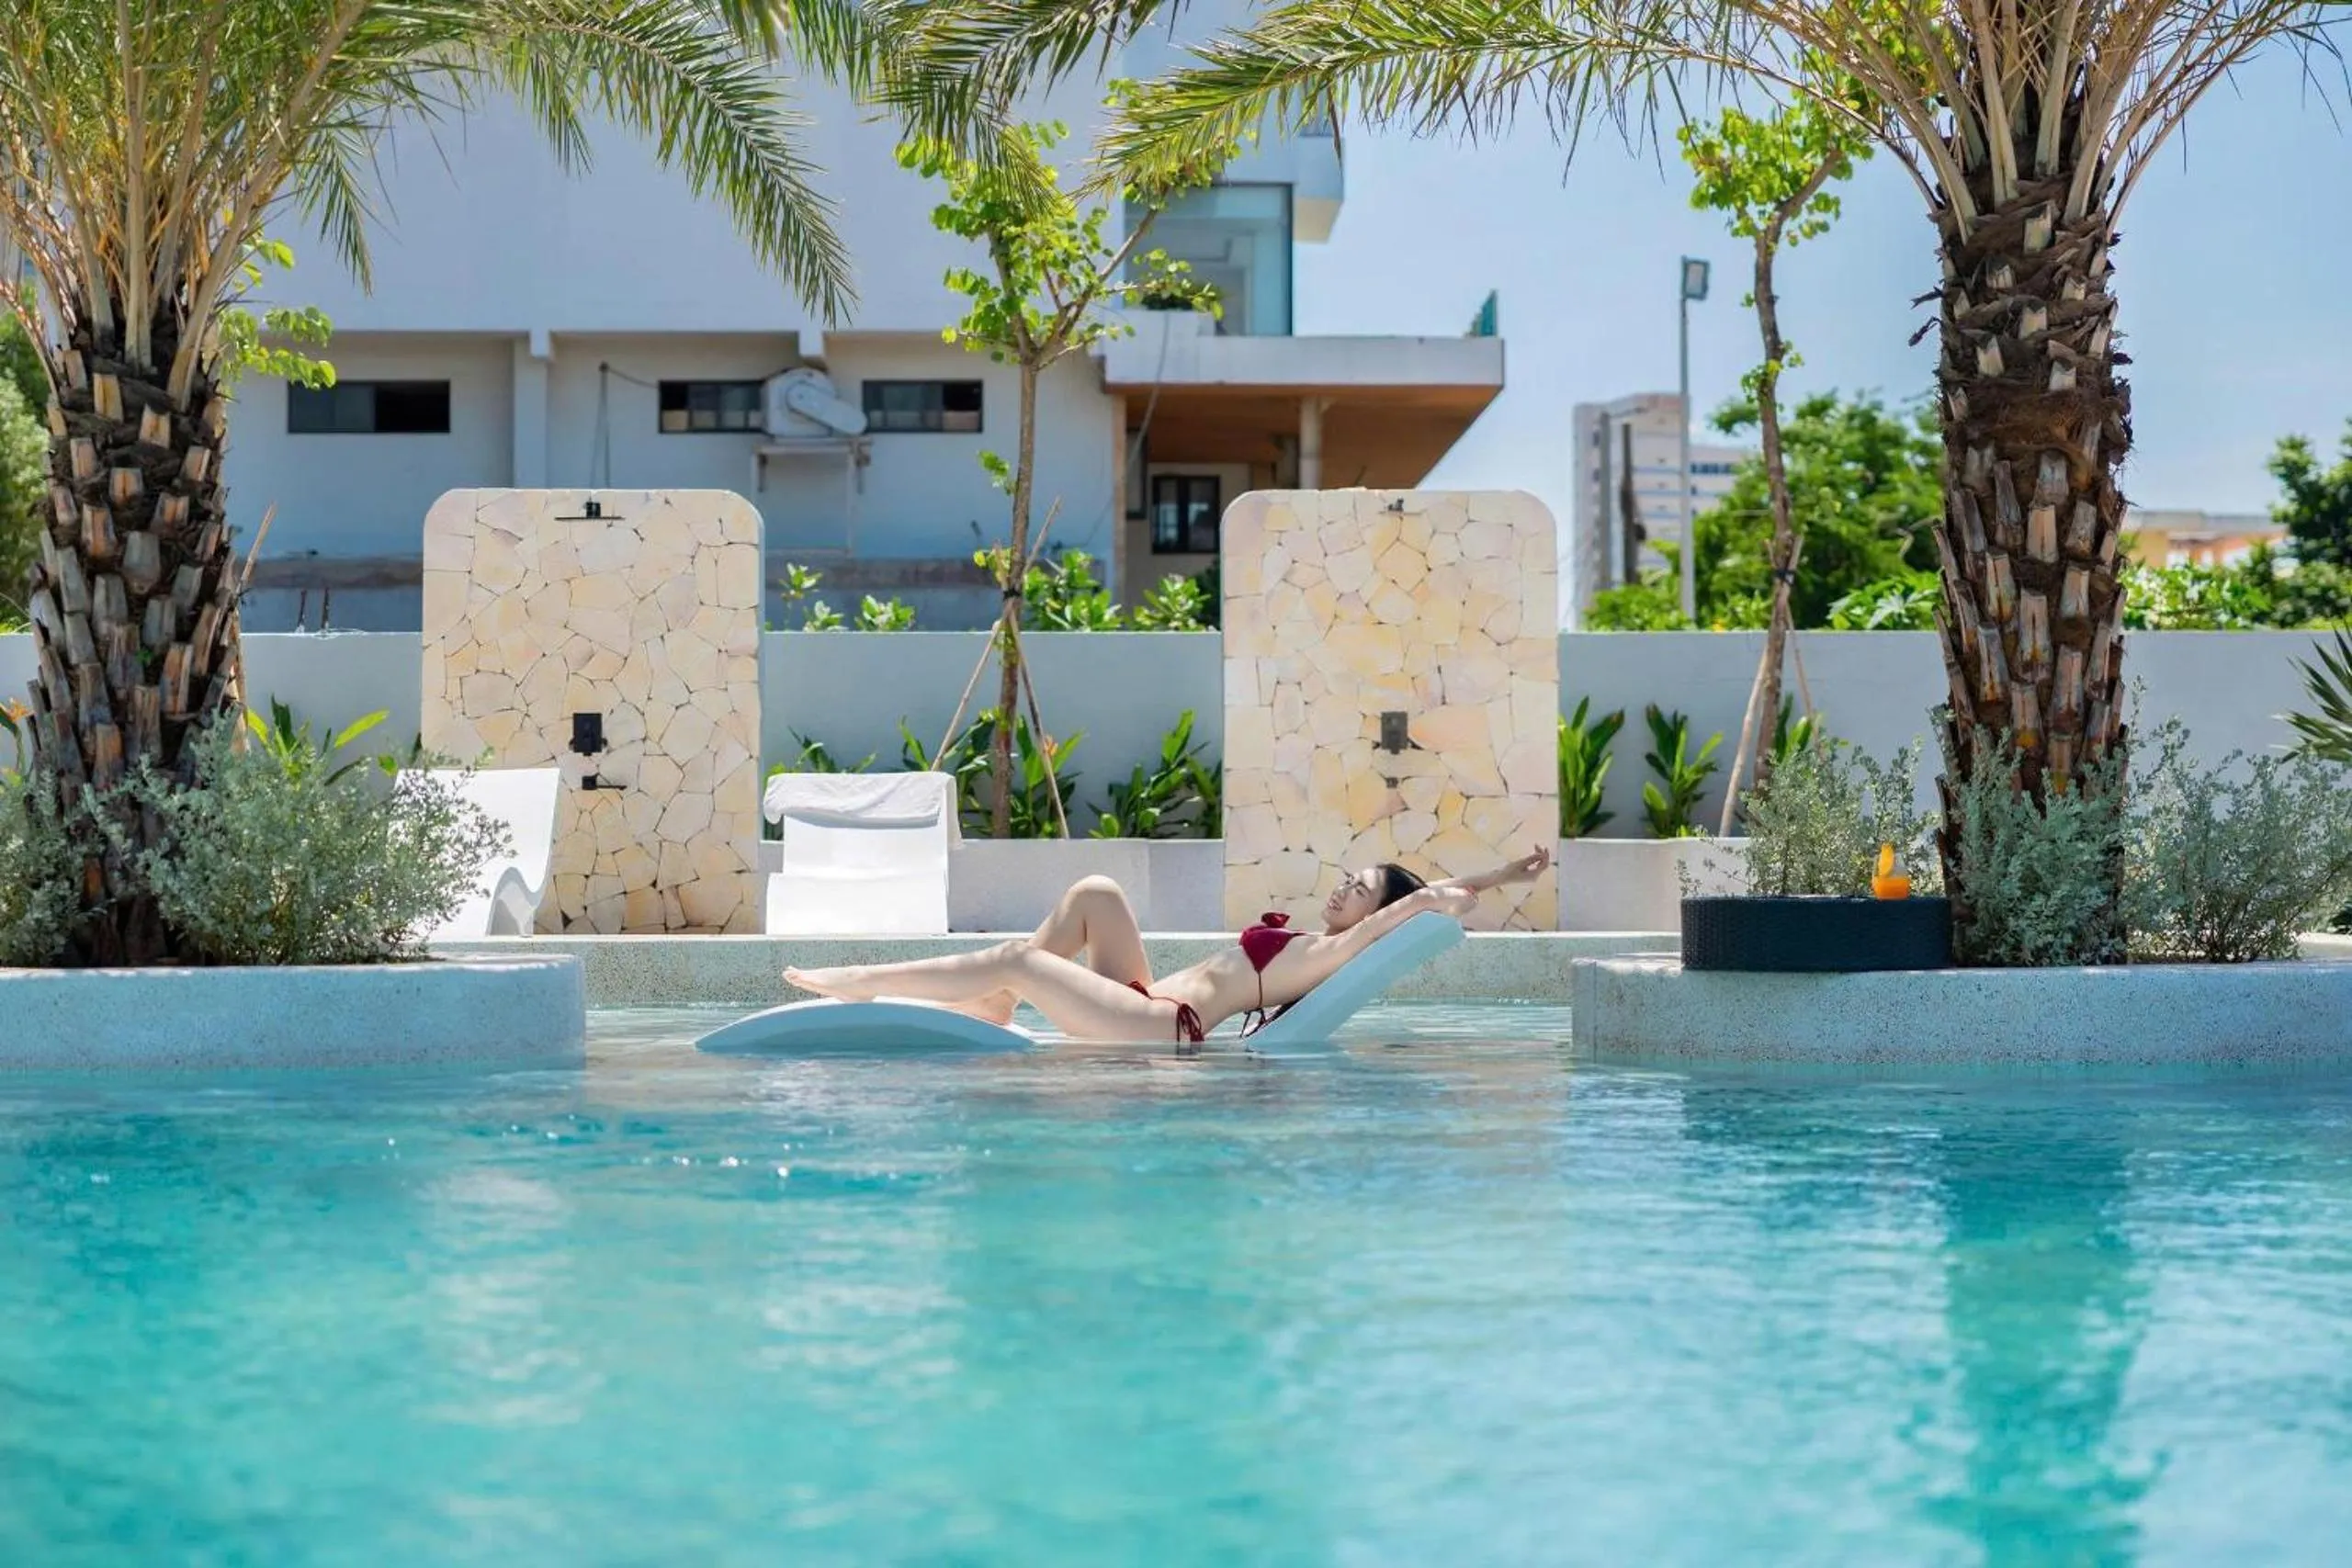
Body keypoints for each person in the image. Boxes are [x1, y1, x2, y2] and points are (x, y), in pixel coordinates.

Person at [785, 846, 1553, 1047]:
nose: (1339, 891)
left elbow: (1430, 898)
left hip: (1161, 1029)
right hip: (1148, 1003)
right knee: (1096, 892)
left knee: (1023, 953)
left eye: (1357, 888)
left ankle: (865, 977)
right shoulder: (1317, 940)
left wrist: (1500, 875)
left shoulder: (1334, 955)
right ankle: (993, 1002)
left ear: (1378, 910)